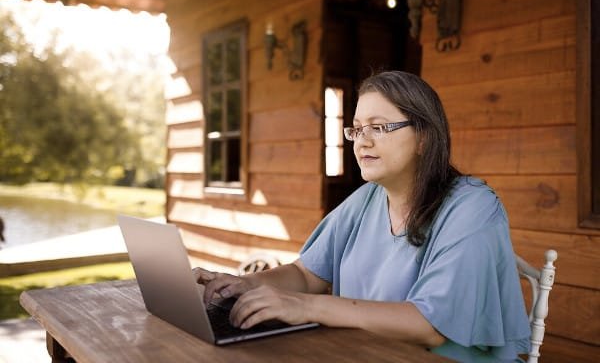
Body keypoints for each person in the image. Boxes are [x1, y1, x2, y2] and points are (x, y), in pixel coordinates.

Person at [194, 71, 531, 362]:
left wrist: (307, 307)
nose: (362, 142)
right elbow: (306, 273)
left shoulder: (473, 207)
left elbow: (430, 327)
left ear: (424, 137)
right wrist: (246, 284)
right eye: (356, 129)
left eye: (379, 127)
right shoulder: (366, 199)